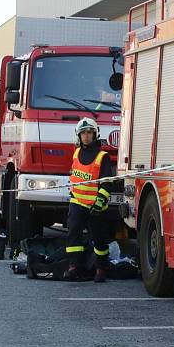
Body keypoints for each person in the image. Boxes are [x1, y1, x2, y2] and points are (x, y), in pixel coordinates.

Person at [63, 117, 115, 282]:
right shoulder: (76, 153)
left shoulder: (102, 156)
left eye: (89, 133)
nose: (86, 136)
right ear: (78, 136)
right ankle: (74, 266)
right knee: (73, 233)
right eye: (83, 133)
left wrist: (100, 201)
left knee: (99, 238)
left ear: (95, 134)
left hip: (96, 206)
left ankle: (101, 268)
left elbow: (107, 182)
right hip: (77, 202)